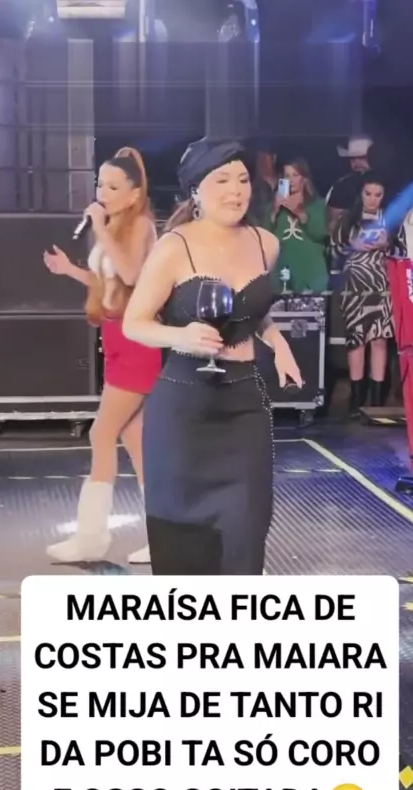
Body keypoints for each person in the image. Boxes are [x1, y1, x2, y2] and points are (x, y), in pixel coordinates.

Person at [123, 137, 303, 575]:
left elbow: (251, 311)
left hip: (244, 408)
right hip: (183, 412)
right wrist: (180, 337)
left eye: (242, 180)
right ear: (196, 190)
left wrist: (277, 341)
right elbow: (134, 323)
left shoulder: (265, 243)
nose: (236, 191)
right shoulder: (174, 246)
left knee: (245, 535)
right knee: (184, 550)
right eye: (222, 180)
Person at [43, 147, 161, 564]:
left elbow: (131, 274)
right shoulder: (113, 227)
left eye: (112, 187)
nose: (102, 193)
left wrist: (99, 227)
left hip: (136, 341)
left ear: (134, 193)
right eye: (100, 185)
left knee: (101, 433)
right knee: (135, 441)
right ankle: (164, 535)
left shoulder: (142, 226)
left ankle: (91, 538)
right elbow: (105, 282)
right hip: (115, 337)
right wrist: (68, 269)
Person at [331, 171, 406, 414]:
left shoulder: (391, 220)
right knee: (356, 341)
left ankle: (376, 401)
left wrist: (387, 245)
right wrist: (351, 246)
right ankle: (356, 400)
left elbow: (404, 253)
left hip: (382, 288)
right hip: (355, 289)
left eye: (377, 194)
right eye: (368, 193)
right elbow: (333, 252)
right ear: (361, 194)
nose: (372, 199)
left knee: (379, 341)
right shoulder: (347, 220)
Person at [264, 157, 329, 294]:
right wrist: (274, 212)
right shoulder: (272, 208)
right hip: (283, 268)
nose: (291, 180)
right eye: (287, 176)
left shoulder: (317, 205)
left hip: (310, 269)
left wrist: (301, 214)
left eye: (295, 175)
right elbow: (264, 238)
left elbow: (321, 234)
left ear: (304, 179)